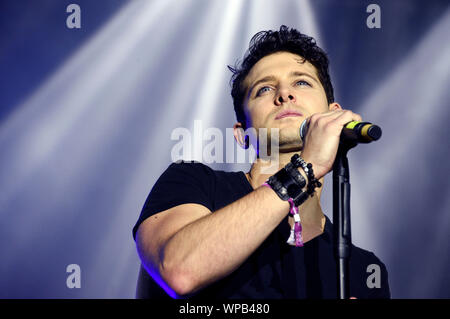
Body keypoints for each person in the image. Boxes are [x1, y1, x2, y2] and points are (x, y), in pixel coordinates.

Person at [132, 25, 390, 299]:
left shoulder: (362, 269)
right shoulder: (195, 183)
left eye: (301, 82)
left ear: (334, 114)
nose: (284, 94)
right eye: (264, 89)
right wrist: (304, 167)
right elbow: (179, 270)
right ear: (241, 133)